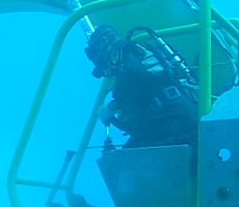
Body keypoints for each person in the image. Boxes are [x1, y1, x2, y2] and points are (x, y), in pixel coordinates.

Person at [84, 25, 199, 153]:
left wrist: (112, 107)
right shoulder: (139, 51)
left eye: (95, 51)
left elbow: (136, 77)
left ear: (104, 41)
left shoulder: (126, 50)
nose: (96, 58)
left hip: (172, 114)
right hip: (175, 113)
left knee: (126, 161)